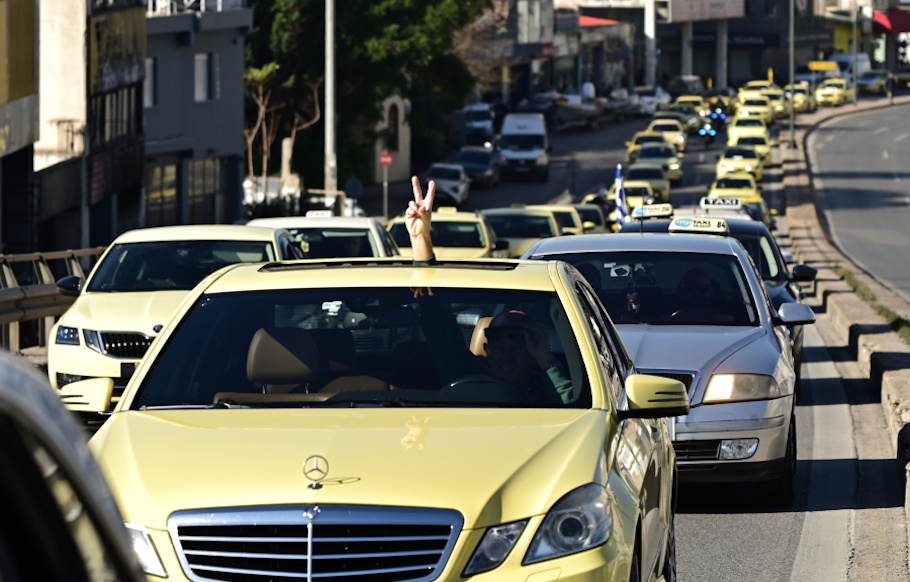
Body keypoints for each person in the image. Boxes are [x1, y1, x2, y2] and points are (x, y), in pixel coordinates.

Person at [405, 176, 573, 404]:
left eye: (517, 348)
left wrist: (547, 362)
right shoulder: (467, 376)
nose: (507, 356)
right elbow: (437, 322)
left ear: (534, 352)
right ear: (486, 351)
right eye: (499, 347)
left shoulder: (550, 386)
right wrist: (421, 241)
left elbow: (574, 411)